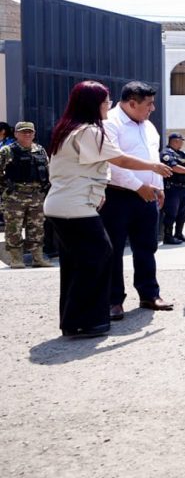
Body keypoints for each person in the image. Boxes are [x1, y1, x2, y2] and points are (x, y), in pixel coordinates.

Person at [42, 81, 171, 337]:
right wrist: (153, 168)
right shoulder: (90, 130)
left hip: (64, 204)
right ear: (94, 104)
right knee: (98, 258)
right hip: (77, 206)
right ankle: (90, 321)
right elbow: (119, 160)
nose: (108, 105)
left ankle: (73, 322)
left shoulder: (68, 128)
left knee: (75, 264)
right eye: (105, 101)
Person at [101, 81, 174, 321]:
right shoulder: (109, 123)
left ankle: (149, 294)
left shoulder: (149, 126)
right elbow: (112, 162)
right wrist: (138, 186)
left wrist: (158, 188)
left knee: (147, 247)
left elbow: (153, 159)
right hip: (117, 196)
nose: (152, 108)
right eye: (149, 104)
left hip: (148, 196)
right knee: (114, 249)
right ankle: (113, 300)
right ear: (132, 103)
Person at [1, 122, 51, 268]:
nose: (27, 135)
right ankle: (16, 259)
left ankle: (38, 258)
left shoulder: (40, 150)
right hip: (15, 196)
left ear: (34, 134)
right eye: (23, 132)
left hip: (36, 195)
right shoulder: (7, 151)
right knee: (13, 228)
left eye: (30, 132)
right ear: (16, 134)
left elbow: (47, 170)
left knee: (37, 228)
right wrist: (6, 190)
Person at [161, 132, 185, 245]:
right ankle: (168, 236)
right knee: (171, 212)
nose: (182, 143)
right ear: (175, 141)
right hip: (172, 188)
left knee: (182, 212)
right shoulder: (167, 153)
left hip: (184, 188)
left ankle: (179, 233)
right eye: (181, 141)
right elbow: (174, 167)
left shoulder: (182, 154)